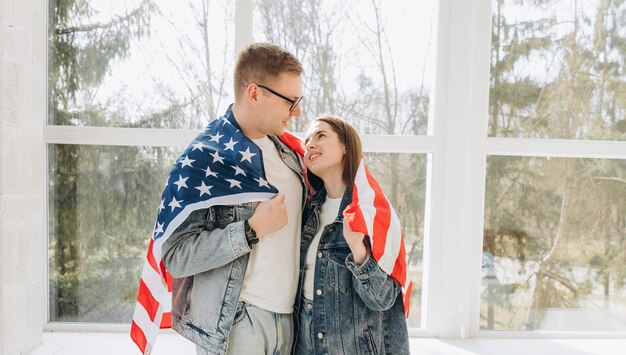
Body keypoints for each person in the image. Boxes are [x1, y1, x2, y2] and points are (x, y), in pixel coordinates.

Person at [138, 43, 307, 355]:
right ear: (254, 93)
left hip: (291, 322)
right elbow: (176, 257)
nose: (297, 111)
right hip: (239, 324)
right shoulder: (205, 158)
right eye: (290, 101)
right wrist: (250, 230)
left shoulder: (292, 155)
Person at [294, 115, 410, 354]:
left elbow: (383, 299)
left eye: (321, 136)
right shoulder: (308, 211)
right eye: (307, 140)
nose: (310, 144)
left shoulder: (370, 209)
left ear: (345, 146)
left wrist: (359, 252)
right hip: (305, 345)